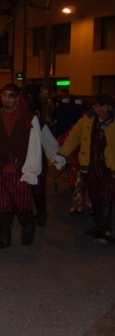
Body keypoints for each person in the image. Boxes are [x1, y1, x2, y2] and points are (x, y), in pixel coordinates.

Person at [0, 84, 43, 249]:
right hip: (0, 168)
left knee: (22, 205)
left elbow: (35, 146)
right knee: (0, 206)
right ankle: (4, 236)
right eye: (4, 95)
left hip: (20, 171)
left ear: (17, 97)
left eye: (11, 96)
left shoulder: (28, 117)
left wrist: (30, 171)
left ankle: (28, 225)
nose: (7, 99)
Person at [57, 94, 115, 243]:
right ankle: (99, 225)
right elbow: (73, 138)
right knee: (95, 196)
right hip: (90, 164)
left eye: (102, 106)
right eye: (96, 106)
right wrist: (62, 154)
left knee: (106, 196)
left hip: (110, 166)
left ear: (110, 107)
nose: (99, 109)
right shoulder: (87, 121)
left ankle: (104, 228)